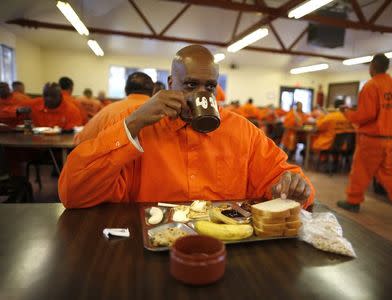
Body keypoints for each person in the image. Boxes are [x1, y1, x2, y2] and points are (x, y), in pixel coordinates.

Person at [58, 45, 315, 209]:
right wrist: (133, 125)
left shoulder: (241, 130)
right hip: (150, 243)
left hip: (225, 245)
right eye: (190, 85)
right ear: (171, 83)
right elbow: (72, 193)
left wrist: (292, 185)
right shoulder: (136, 123)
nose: (201, 94)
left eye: (210, 87)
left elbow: (291, 184)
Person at [337, 53, 392, 229]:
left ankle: (353, 201)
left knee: (360, 171)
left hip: (372, 140)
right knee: (387, 172)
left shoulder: (371, 86)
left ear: (373, 66)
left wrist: (347, 113)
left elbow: (366, 115)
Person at [74, 72, 154, 144]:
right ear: (153, 92)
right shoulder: (162, 115)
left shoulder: (107, 111)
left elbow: (80, 140)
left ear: (126, 90)